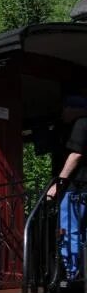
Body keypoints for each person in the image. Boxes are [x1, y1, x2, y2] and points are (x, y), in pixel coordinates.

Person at [48, 96, 87, 279]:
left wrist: (59, 183)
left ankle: (73, 272)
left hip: (75, 189)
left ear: (75, 109)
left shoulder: (81, 123)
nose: (63, 112)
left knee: (69, 229)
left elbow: (76, 154)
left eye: (65, 108)